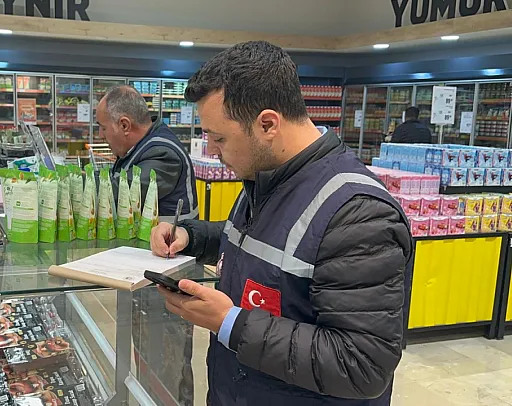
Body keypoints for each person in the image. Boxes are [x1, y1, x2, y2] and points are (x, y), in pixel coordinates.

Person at [150, 41, 412, 405]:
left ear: (268, 124)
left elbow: (361, 365)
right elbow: (264, 245)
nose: (211, 150)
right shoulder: (266, 176)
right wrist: (190, 237)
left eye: (219, 137)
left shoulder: (359, 213)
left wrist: (230, 323)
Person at [97, 85, 198, 221]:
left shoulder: (163, 155)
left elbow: (119, 193)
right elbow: (116, 177)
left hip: (171, 235)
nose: (100, 135)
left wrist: (73, 185)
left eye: (103, 128)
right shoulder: (138, 147)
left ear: (124, 125)